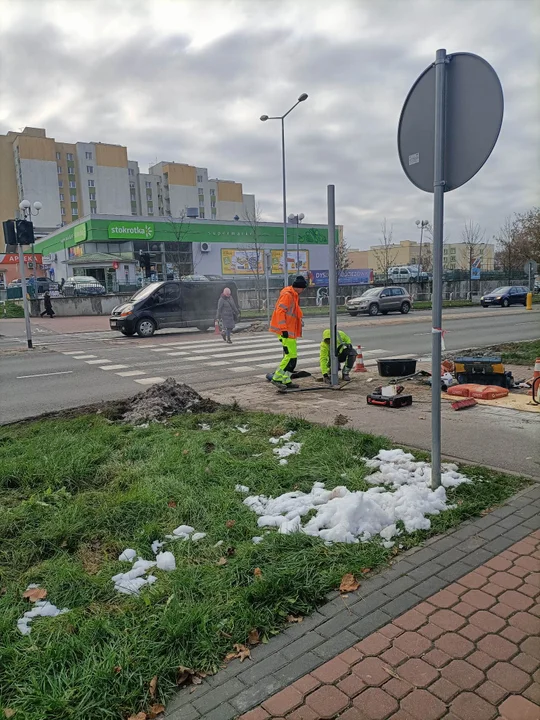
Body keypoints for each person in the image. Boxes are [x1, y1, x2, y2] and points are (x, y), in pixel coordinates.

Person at [269, 275, 307, 389]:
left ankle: (286, 380)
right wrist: (284, 329)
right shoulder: (288, 295)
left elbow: (292, 313)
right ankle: (277, 378)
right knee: (290, 357)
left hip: (290, 332)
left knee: (291, 357)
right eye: (303, 288)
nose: (303, 290)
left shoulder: (293, 295)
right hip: (286, 332)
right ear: (299, 287)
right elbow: (280, 312)